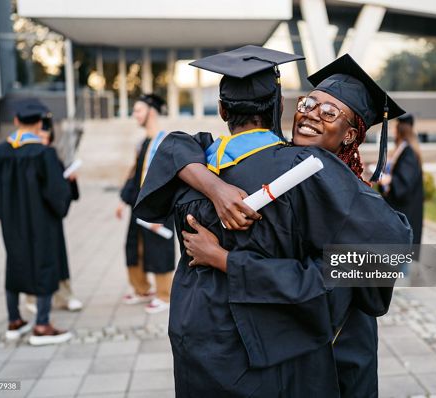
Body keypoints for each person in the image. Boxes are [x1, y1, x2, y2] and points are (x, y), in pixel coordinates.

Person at [134, 47, 411, 397]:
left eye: (329, 111)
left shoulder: (201, 164)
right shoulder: (302, 172)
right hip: (280, 348)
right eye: (308, 105)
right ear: (280, 107)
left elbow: (175, 146)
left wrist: (226, 255)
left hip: (198, 339)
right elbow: (386, 249)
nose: (311, 115)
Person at [0, 99, 72, 345]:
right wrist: (66, 192)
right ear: (39, 123)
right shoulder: (43, 153)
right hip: (41, 222)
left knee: (14, 263)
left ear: (16, 121)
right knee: (45, 264)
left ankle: (14, 320)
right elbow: (57, 195)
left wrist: (1, 214)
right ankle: (42, 325)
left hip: (11, 221)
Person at [116, 94, 175, 314]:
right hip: (138, 204)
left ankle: (164, 294)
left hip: (158, 206)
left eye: (138, 110)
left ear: (151, 112)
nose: (135, 115)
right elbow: (134, 173)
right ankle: (141, 289)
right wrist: (123, 200)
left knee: (159, 249)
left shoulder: (165, 141)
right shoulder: (142, 143)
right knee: (133, 247)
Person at [25, 115, 83, 313]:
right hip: (31, 216)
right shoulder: (25, 158)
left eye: (45, 132)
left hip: (51, 217)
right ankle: (32, 298)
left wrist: (71, 182)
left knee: (57, 256)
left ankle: (64, 296)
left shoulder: (52, 158)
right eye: (39, 131)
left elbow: (65, 192)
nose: (43, 136)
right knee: (33, 256)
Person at [380, 113, 424, 244]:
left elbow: (404, 184)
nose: (393, 131)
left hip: (406, 210)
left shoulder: (408, 153)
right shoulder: (402, 149)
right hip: (402, 207)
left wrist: (388, 180)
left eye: (395, 128)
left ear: (401, 130)